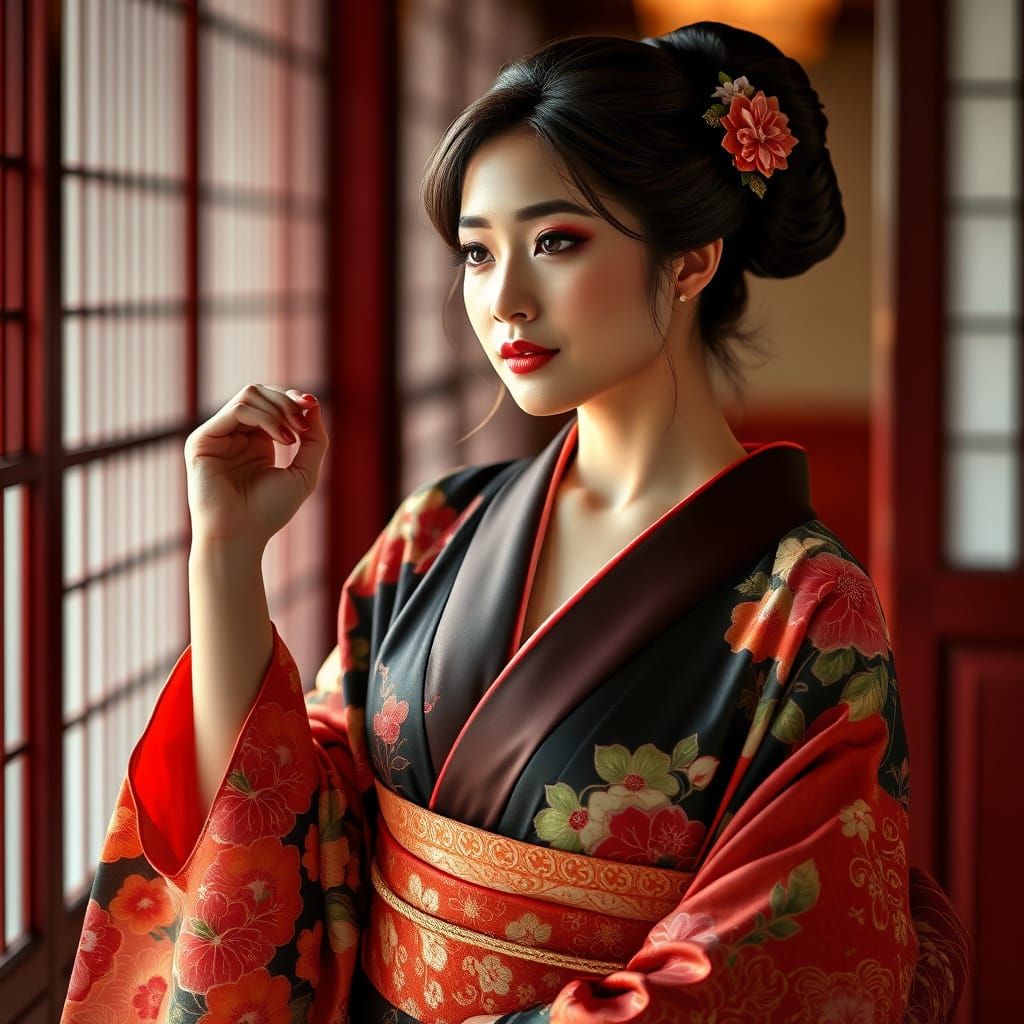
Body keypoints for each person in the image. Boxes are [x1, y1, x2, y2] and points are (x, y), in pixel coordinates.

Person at [60, 20, 968, 1024]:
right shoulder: (434, 529)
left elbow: (780, 953)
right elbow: (294, 822)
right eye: (477, 254)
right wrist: (227, 554)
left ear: (690, 260)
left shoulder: (807, 604)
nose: (504, 300)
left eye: (556, 241)